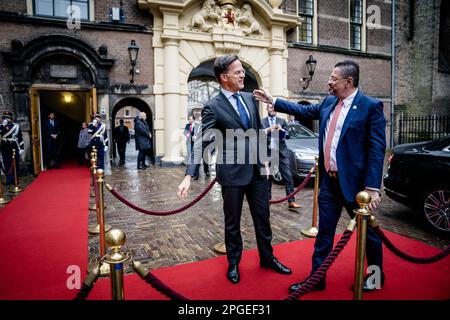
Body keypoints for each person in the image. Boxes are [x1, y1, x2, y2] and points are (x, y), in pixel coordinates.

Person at [254, 60, 386, 293]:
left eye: (333, 78)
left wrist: (372, 187)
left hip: (357, 189)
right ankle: (317, 279)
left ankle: (375, 277)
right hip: (328, 184)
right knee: (324, 234)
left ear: (349, 81)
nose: (328, 81)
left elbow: (376, 149)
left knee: (370, 236)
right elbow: (302, 110)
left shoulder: (370, 106)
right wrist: (273, 100)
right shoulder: (327, 102)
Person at [178, 55, 291, 284]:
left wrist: (266, 163)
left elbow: (259, 132)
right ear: (224, 77)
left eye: (242, 71)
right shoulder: (212, 107)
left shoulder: (250, 99)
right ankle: (233, 264)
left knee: (263, 218)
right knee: (232, 223)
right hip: (231, 174)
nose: (243, 75)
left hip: (258, 172)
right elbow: (202, 140)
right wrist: (189, 175)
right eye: (238, 72)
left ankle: (268, 258)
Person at [262, 104, 301, 210]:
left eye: (274, 107)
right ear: (267, 109)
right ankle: (267, 200)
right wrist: (269, 130)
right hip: (269, 153)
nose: (272, 109)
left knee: (288, 176)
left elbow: (288, 135)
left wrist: (281, 131)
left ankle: (291, 201)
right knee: (268, 178)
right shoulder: (262, 122)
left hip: (281, 153)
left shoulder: (282, 121)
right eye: (270, 107)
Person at [0, 111, 24, 185]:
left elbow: (20, 138)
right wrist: (3, 126)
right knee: (6, 163)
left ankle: (16, 179)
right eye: (5, 118)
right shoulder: (1, 126)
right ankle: (9, 179)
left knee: (15, 163)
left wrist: (22, 148)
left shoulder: (16, 126)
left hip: (13, 146)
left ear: (11, 119)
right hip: (4, 146)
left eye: (8, 118)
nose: (6, 119)